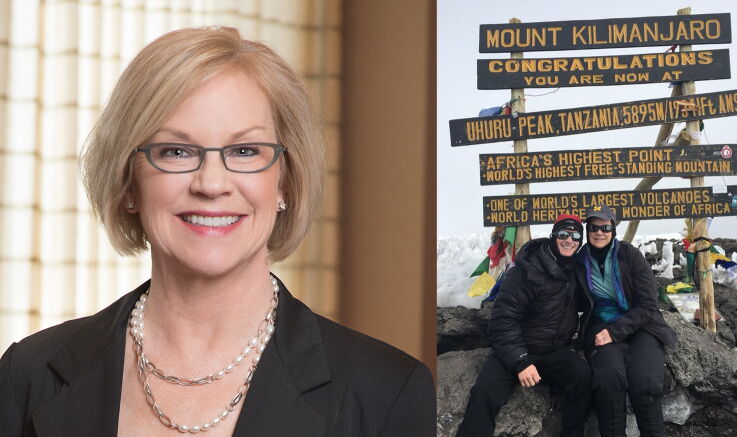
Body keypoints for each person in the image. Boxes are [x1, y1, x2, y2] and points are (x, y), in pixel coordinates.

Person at [0, 27, 434, 437]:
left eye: (245, 151)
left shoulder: (385, 391)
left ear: (285, 181)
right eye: (175, 151)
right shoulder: (28, 374)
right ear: (128, 183)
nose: (211, 184)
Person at [456, 215, 591, 437]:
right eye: (564, 234)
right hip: (516, 350)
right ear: (553, 236)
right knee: (484, 393)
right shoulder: (526, 270)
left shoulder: (576, 269)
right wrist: (521, 361)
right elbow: (503, 320)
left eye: (575, 235)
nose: (569, 240)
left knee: (582, 376)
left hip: (553, 352)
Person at [577, 205, 677, 437]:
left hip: (641, 323)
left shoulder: (630, 255)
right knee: (608, 380)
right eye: (593, 227)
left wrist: (615, 333)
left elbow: (648, 304)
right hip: (601, 322)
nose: (599, 232)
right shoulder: (580, 259)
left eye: (605, 227)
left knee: (645, 382)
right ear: (587, 229)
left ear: (613, 229)